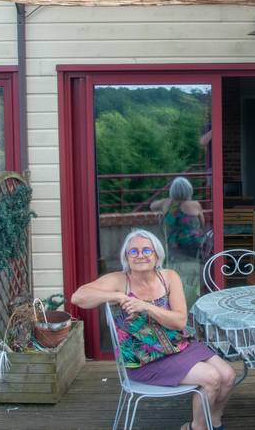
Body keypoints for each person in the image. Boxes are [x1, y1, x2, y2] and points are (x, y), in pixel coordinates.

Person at [71, 229, 235, 430]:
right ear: (126, 257)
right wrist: (118, 297)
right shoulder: (120, 280)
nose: (140, 255)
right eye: (133, 251)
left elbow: (179, 322)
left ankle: (214, 422)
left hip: (179, 346)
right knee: (211, 378)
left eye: (147, 250)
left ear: (157, 255)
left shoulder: (168, 277)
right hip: (144, 360)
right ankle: (196, 427)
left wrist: (146, 306)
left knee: (227, 375)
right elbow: (79, 297)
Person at [150, 177, 205, 257]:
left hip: (174, 246)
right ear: (189, 190)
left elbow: (152, 206)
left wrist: (163, 210)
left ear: (172, 190)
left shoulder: (166, 203)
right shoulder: (195, 205)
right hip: (194, 245)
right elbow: (202, 225)